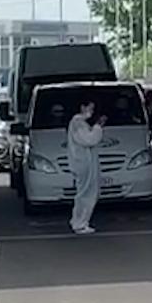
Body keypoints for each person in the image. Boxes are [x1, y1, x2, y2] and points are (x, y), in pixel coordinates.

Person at [67, 100, 105, 235]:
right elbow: (89, 140)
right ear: (82, 107)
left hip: (85, 163)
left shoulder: (80, 123)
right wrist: (98, 127)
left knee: (87, 192)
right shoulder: (77, 123)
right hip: (83, 164)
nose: (91, 112)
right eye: (90, 108)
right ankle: (80, 223)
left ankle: (79, 221)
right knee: (86, 193)